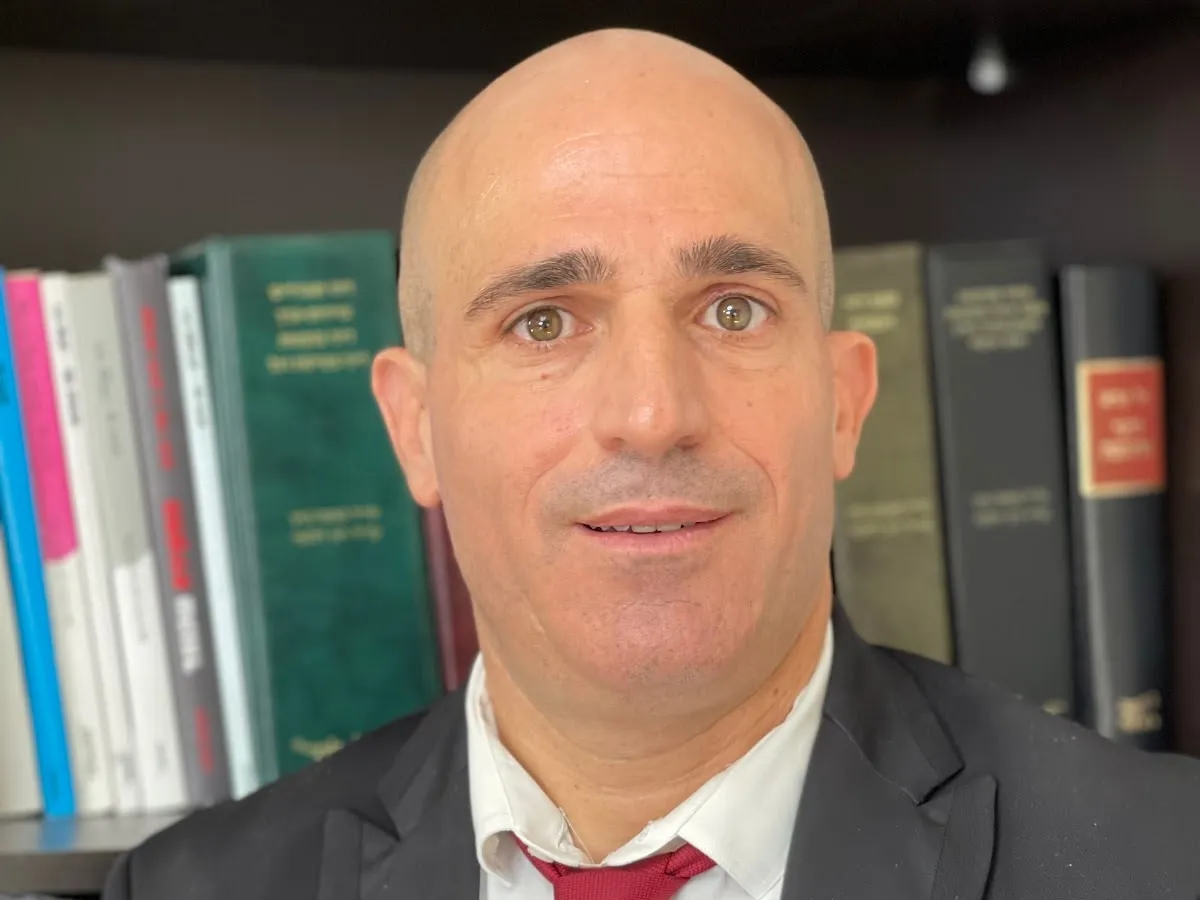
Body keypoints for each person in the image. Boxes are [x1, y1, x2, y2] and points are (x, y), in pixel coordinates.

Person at [102, 27, 1200, 900]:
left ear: (846, 403)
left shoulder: (1164, 861)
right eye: (543, 321)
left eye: (734, 310)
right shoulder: (194, 889)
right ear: (414, 427)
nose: (652, 413)